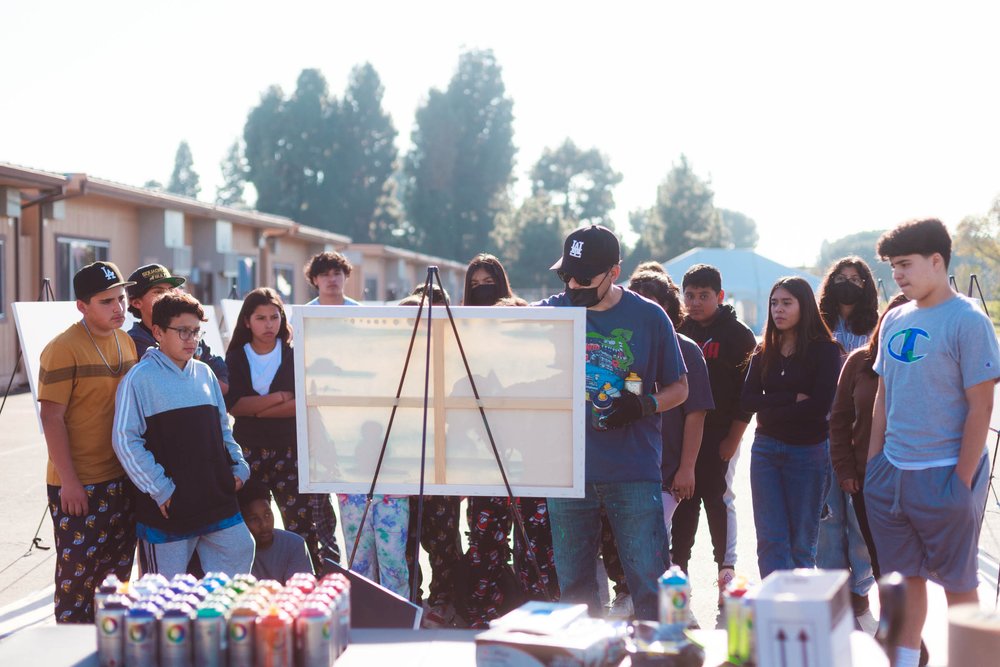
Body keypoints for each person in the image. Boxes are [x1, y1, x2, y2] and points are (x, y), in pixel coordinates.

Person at [537, 225, 688, 620]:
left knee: (649, 582)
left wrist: (643, 406)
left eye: (584, 277)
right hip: (568, 472)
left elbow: (681, 388)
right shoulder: (554, 311)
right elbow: (499, 331)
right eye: (565, 274)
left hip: (632, 470)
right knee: (574, 589)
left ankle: (657, 657)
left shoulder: (650, 317)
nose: (572, 284)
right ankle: (582, 658)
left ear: (614, 272)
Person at [866, 218, 999, 667]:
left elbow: (981, 407)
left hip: (945, 475)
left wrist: (961, 482)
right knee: (903, 589)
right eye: (892, 266)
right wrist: (874, 468)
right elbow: (884, 395)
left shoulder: (968, 320)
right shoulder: (895, 318)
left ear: (937, 261)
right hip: (891, 478)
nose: (897, 275)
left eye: (905, 264)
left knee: (961, 587)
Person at [599, 266, 714, 618]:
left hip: (666, 471)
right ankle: (629, 597)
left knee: (656, 545)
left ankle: (675, 612)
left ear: (669, 308)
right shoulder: (618, 348)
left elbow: (696, 412)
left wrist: (688, 468)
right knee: (622, 542)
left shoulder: (687, 350)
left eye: (656, 303)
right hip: (624, 465)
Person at [113, 293, 253, 578]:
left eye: (196, 332)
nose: (192, 339)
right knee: (164, 593)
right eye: (182, 331)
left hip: (216, 497)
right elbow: (125, 440)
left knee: (239, 558)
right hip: (169, 509)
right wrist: (160, 488)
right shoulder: (139, 378)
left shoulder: (205, 373)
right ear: (158, 332)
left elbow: (223, 427)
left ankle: (218, 624)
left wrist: (239, 467)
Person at [460, 254, 559, 628]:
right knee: (485, 543)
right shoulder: (464, 337)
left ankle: (539, 615)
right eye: (475, 285)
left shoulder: (529, 343)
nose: (483, 289)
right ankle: (482, 612)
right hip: (484, 459)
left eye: (490, 282)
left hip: (532, 461)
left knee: (537, 544)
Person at [37, 261, 138, 623]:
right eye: (106, 301)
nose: (118, 308)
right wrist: (70, 482)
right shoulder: (62, 347)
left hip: (123, 480)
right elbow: (51, 417)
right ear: (82, 306)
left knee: (117, 581)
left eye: (122, 298)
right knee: (76, 583)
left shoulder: (127, 341)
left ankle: (108, 649)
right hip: (79, 484)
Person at [225, 287, 341, 572]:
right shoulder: (237, 357)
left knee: (300, 522)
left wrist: (257, 408)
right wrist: (279, 397)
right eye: (261, 318)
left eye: (274, 317)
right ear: (246, 322)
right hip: (248, 451)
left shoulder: (294, 353)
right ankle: (251, 582)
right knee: (249, 521)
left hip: (291, 450)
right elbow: (234, 406)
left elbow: (303, 404)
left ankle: (307, 583)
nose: (269, 324)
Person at [741, 276, 841, 578]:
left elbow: (820, 406)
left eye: (786, 303)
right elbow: (746, 400)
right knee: (771, 539)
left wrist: (770, 405)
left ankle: (799, 614)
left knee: (801, 542)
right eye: (774, 303)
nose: (778, 310)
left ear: (804, 306)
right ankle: (775, 609)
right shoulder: (763, 350)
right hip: (766, 450)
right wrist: (790, 399)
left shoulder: (825, 349)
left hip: (808, 452)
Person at [674, 264, 756, 602]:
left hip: (722, 436)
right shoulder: (677, 329)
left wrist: (734, 439)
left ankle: (726, 570)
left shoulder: (738, 335)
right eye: (689, 295)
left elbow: (747, 395)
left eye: (703, 296)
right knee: (684, 502)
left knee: (719, 499)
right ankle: (678, 570)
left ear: (719, 297)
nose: (695, 302)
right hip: (685, 437)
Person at [815, 257, 880, 623]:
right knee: (827, 516)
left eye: (856, 279)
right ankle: (831, 588)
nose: (848, 284)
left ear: (867, 285)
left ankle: (860, 589)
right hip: (821, 431)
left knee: (859, 516)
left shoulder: (876, 326)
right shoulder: (817, 325)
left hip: (860, 433)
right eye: (841, 278)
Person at [398, 287, 466, 626]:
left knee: (443, 539)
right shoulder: (393, 359)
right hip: (402, 464)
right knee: (405, 537)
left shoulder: (454, 359)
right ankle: (412, 600)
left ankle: (444, 601)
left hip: (442, 462)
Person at [829, 294, 908, 582]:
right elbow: (839, 419)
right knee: (879, 558)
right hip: (867, 478)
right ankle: (891, 624)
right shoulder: (860, 361)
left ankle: (908, 625)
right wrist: (845, 468)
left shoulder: (929, 363)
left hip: (917, 476)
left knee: (913, 563)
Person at [126, 263, 229, 393]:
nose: (167, 296)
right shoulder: (133, 342)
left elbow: (221, 375)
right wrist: (204, 385)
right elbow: (167, 386)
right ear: (136, 302)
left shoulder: (191, 334)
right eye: (158, 292)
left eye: (170, 290)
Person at [238, 479, 315, 582]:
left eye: (267, 514)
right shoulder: (235, 551)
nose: (264, 524)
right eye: (254, 519)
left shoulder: (295, 544)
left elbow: (300, 591)